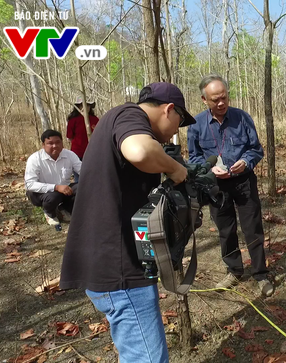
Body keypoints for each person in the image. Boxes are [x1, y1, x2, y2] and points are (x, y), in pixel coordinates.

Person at [59, 82, 195, 363]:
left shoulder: (115, 122)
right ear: (169, 110)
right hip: (119, 271)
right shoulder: (129, 115)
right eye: (178, 123)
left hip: (111, 264)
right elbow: (140, 151)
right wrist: (176, 169)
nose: (175, 133)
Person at [188, 74, 274, 297]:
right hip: (216, 185)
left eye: (224, 97)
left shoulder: (242, 118)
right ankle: (234, 270)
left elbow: (255, 149)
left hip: (244, 181)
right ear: (204, 100)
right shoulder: (196, 125)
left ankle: (260, 274)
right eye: (215, 99)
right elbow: (194, 157)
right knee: (225, 230)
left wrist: (245, 162)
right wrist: (208, 169)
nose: (221, 103)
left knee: (252, 228)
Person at [25, 129, 81, 229]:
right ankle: (49, 213)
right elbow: (29, 184)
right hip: (41, 194)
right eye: (50, 143)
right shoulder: (35, 159)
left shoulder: (70, 155)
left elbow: (83, 171)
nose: (55, 146)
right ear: (43, 145)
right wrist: (56, 187)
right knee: (52, 197)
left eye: (57, 142)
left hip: (64, 189)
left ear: (62, 143)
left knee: (84, 187)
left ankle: (64, 209)